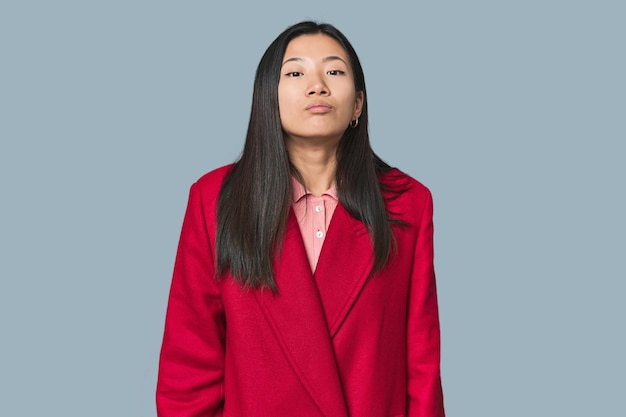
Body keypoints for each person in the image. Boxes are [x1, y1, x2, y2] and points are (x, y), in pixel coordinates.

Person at [156, 21, 445, 417]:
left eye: (335, 71)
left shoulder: (407, 204)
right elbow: (188, 372)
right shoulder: (216, 200)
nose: (318, 85)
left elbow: (422, 367)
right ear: (267, 98)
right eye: (295, 72)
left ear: (358, 103)